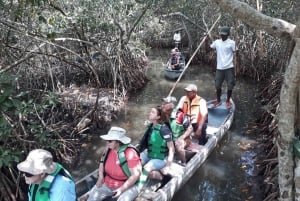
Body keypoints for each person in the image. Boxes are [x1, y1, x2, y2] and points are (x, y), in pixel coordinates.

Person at [87, 127, 142, 201]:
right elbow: (101, 163)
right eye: (107, 140)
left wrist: (121, 189)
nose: (107, 143)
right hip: (108, 183)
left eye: (110, 141)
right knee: (92, 196)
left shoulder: (130, 153)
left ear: (118, 142)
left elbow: (135, 175)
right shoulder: (107, 150)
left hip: (128, 185)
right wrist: (100, 176)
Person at [138, 106, 175, 181]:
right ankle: (130, 180)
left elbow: (172, 149)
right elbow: (149, 125)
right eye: (150, 111)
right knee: (135, 164)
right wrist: (147, 123)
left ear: (158, 117)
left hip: (160, 158)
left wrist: (167, 166)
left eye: (153, 112)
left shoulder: (164, 130)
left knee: (146, 169)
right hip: (149, 153)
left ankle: (162, 178)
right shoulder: (151, 125)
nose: (150, 113)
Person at [209, 26, 237, 109]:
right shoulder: (217, 42)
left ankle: (228, 100)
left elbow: (237, 52)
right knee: (217, 85)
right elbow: (208, 49)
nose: (222, 36)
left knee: (230, 85)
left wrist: (237, 66)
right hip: (219, 68)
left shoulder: (232, 43)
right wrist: (206, 39)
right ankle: (218, 100)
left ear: (228, 34)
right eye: (221, 34)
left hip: (229, 67)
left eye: (224, 34)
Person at [161, 96, 193, 165]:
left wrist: (182, 138)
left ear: (172, 105)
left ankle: (183, 162)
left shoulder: (180, 115)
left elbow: (190, 128)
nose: (162, 104)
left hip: (183, 139)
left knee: (178, 144)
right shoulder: (162, 114)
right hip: (169, 140)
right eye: (163, 103)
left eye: (165, 103)